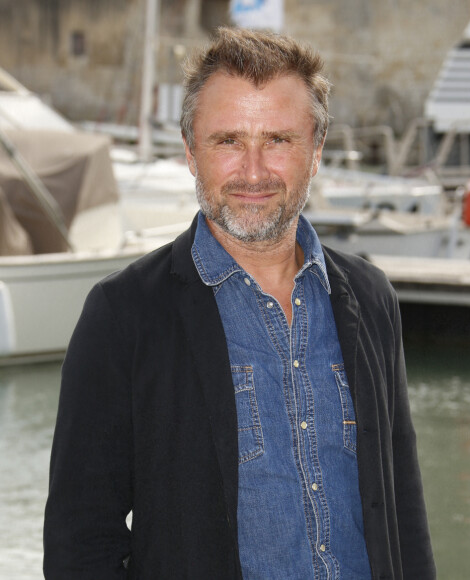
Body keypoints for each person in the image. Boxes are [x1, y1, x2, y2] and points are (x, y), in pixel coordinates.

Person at [43, 27, 436, 579]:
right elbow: (80, 540)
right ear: (189, 152)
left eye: (277, 139)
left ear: (316, 151)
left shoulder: (370, 298)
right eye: (228, 141)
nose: (253, 171)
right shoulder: (123, 315)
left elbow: (403, 508)